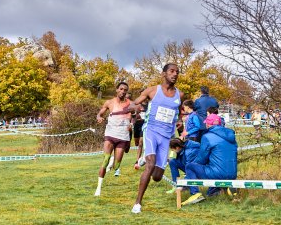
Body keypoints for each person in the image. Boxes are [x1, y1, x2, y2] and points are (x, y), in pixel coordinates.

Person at [129, 63, 184, 213]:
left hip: (166, 137)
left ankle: (144, 161)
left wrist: (180, 123)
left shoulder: (180, 95)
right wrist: (135, 107)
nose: (175, 74)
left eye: (177, 72)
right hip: (151, 131)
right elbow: (132, 104)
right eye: (172, 71)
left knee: (157, 176)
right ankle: (137, 204)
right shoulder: (152, 91)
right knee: (150, 164)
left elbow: (179, 112)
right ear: (164, 74)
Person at [182, 114, 238, 205]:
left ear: (208, 124)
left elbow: (201, 159)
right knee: (209, 194)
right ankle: (226, 190)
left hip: (217, 173)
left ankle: (195, 194)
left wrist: (189, 174)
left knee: (190, 167)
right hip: (232, 173)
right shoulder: (231, 136)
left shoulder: (207, 137)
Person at [94, 82, 132, 196]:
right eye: (121, 89)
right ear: (117, 90)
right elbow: (99, 113)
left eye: (125, 89)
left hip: (123, 135)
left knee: (116, 166)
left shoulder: (130, 104)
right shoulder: (109, 102)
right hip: (110, 133)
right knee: (105, 160)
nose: (123, 91)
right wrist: (99, 117)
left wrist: (132, 124)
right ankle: (98, 188)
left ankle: (113, 162)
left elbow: (134, 116)